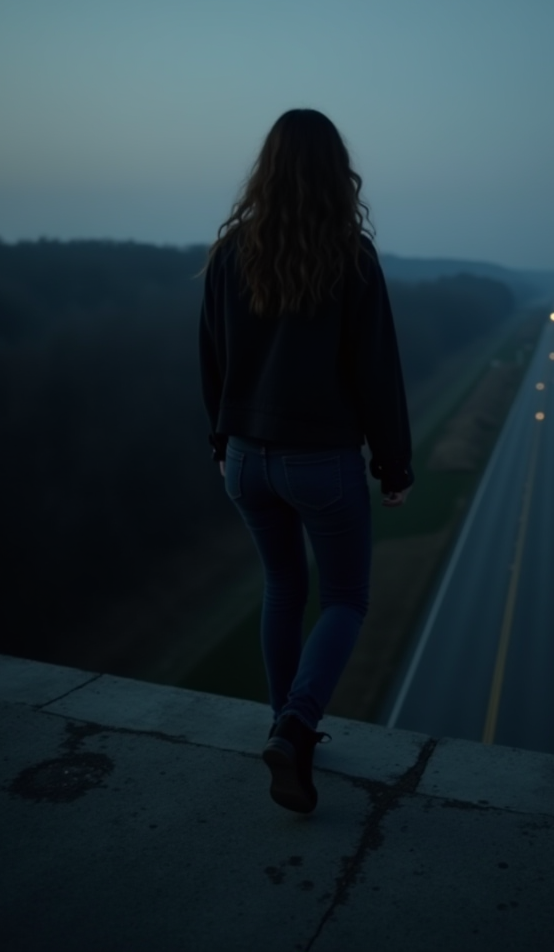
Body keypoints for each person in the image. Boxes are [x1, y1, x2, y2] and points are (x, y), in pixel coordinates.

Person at [198, 109, 414, 814]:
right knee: (346, 598)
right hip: (319, 461)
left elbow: (212, 358)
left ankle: (284, 728)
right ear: (335, 172)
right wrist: (394, 465)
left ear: (268, 167)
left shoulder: (231, 252)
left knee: (283, 588)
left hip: (244, 461)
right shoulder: (350, 256)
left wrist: (220, 440)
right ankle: (295, 725)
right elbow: (376, 371)